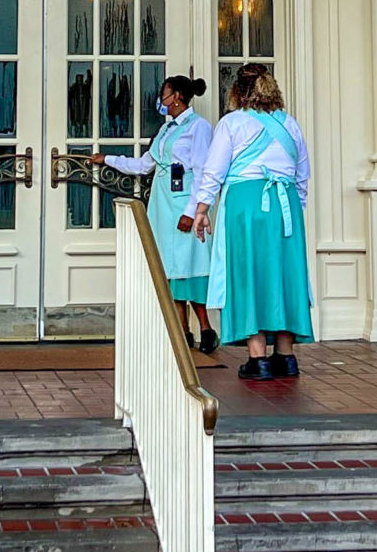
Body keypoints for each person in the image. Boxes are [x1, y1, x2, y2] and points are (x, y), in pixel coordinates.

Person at [195, 66, 313, 382]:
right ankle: (286, 357)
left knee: (248, 274)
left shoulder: (232, 123)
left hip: (246, 206)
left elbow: (214, 171)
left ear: (238, 91)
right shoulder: (290, 124)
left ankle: (258, 358)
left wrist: (202, 208)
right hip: (285, 205)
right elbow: (302, 174)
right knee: (285, 275)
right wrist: (295, 208)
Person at [104, 75, 216, 354]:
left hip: (184, 202)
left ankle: (206, 328)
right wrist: (106, 159)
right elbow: (144, 165)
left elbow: (203, 171)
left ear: (176, 96)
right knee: (169, 265)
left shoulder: (199, 128)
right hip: (163, 203)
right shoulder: (166, 130)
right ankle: (181, 330)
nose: (160, 100)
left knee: (188, 265)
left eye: (164, 95)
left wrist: (193, 210)